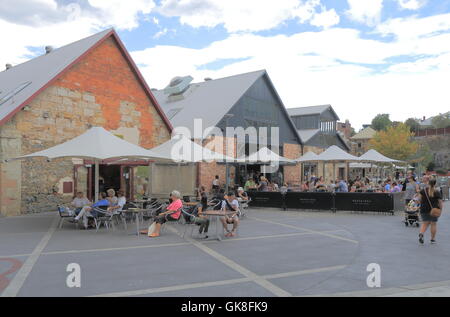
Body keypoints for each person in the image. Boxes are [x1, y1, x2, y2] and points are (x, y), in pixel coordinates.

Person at [418, 179, 443, 244]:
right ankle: (432, 239)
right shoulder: (437, 191)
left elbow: (419, 200)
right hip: (434, 209)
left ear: (428, 183)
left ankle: (421, 233)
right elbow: (440, 202)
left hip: (424, 209)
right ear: (435, 184)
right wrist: (440, 210)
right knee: (433, 224)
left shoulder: (423, 191)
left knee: (425, 223)